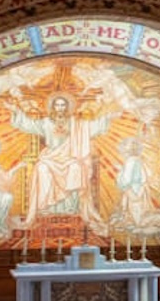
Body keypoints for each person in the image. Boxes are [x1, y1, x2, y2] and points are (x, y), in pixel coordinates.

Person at [8, 93, 111, 227]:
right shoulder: (46, 122)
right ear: (53, 107)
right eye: (57, 105)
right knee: (41, 168)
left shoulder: (75, 123)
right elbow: (29, 124)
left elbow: (91, 127)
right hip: (50, 157)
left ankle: (71, 208)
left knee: (76, 168)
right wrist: (16, 111)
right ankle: (46, 207)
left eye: (63, 105)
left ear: (67, 107)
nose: (60, 108)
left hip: (70, 156)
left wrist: (106, 117)